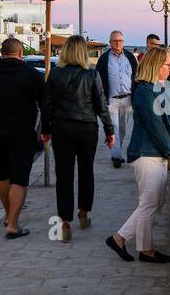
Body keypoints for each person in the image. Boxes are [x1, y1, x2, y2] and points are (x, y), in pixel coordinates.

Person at [106, 47, 170, 264]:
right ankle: (139, 247)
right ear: (156, 66)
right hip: (146, 154)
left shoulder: (158, 89)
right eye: (167, 65)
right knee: (149, 204)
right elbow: (157, 128)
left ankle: (122, 240)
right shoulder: (145, 93)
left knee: (152, 203)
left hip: (153, 154)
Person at [42, 36, 115, 243]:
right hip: (86, 128)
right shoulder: (92, 74)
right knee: (86, 171)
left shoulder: (55, 74)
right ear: (83, 52)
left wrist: (45, 130)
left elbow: (47, 105)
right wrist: (109, 131)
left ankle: (64, 222)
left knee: (63, 175)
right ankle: (83, 211)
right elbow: (101, 104)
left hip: (62, 127)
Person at [0, 36, 46, 239]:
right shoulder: (32, 75)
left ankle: (8, 216)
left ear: (1, 54)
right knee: (19, 180)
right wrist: (45, 130)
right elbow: (45, 105)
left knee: (3, 177)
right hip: (22, 133)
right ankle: (13, 225)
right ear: (21, 54)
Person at [95, 30, 138, 168]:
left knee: (123, 129)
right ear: (110, 42)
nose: (118, 43)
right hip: (111, 100)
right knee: (114, 127)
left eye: (120, 40)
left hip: (127, 99)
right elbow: (98, 80)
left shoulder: (130, 58)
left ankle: (116, 150)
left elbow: (136, 77)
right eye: (115, 40)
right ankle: (116, 156)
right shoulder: (104, 59)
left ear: (123, 42)